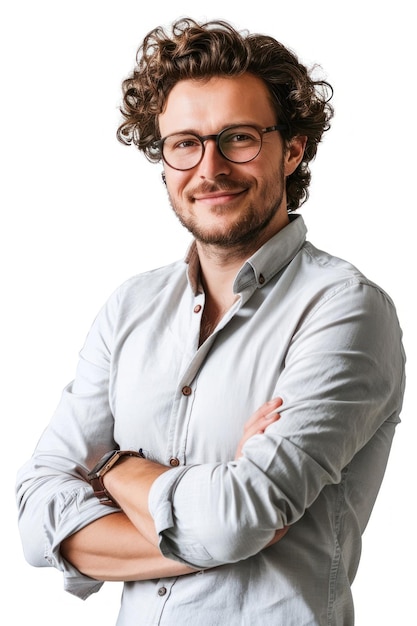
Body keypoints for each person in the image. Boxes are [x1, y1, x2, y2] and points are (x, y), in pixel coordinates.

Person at [16, 17, 405, 626]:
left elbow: (239, 519)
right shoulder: (129, 309)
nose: (210, 168)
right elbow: (38, 515)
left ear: (293, 147)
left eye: (239, 138)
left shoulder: (345, 309)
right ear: (164, 156)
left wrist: (114, 467)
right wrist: (212, 525)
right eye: (184, 143)